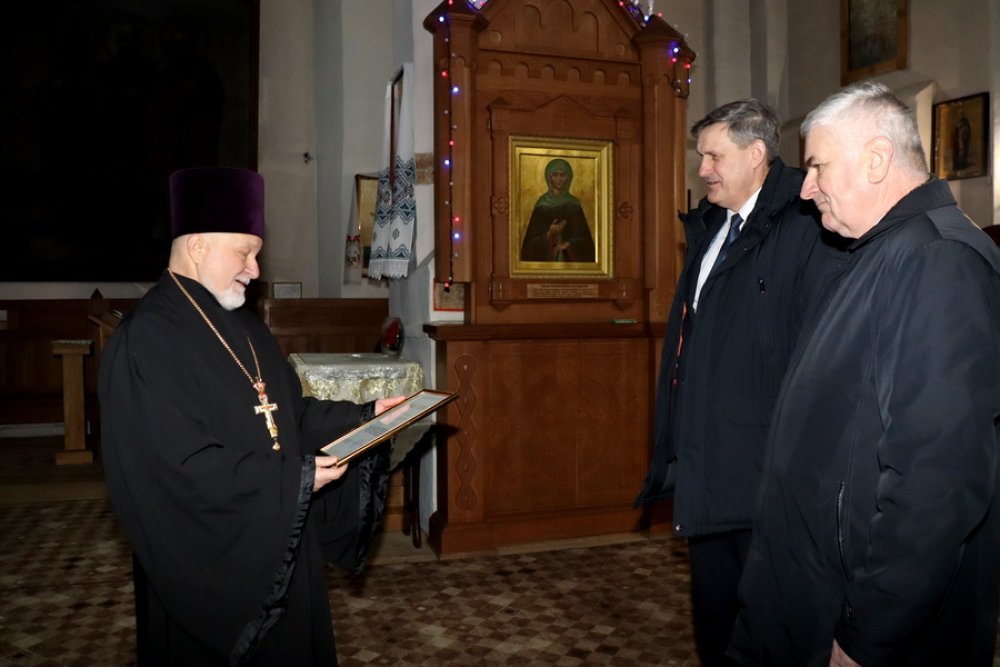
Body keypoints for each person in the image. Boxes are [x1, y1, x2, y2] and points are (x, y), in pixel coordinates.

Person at [728, 82, 1000, 666]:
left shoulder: (938, 262)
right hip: (815, 590)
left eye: (817, 166)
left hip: (860, 618)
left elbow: (936, 483)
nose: (805, 188)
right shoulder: (880, 250)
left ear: (876, 159)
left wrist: (866, 633)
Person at [99, 166, 405, 666]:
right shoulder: (146, 340)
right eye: (244, 252)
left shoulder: (246, 327)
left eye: (256, 254)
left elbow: (288, 416)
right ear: (198, 245)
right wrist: (291, 480)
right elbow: (170, 470)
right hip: (215, 565)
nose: (255, 269)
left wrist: (365, 418)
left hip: (279, 536)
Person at [634, 99, 829, 666]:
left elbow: (816, 354)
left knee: (772, 632)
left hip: (768, 474)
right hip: (709, 466)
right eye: (701, 157)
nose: (703, 170)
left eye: (714, 156)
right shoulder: (712, 226)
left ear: (756, 153)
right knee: (717, 621)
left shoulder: (808, 225)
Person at [520, 158, 596, 262]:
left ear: (568, 178)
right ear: (549, 177)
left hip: (569, 264)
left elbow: (586, 242)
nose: (559, 179)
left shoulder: (574, 205)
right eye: (555, 175)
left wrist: (569, 244)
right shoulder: (542, 206)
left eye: (562, 175)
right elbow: (528, 248)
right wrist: (549, 234)